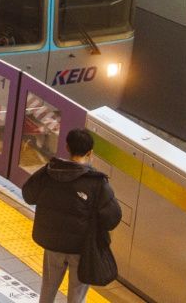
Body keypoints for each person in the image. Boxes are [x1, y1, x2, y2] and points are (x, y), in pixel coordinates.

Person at [23, 128, 123, 303]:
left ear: (67, 147)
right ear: (90, 153)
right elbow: (113, 217)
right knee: (76, 296)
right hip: (81, 248)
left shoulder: (49, 171)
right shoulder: (96, 183)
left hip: (52, 243)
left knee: (47, 290)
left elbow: (28, 194)